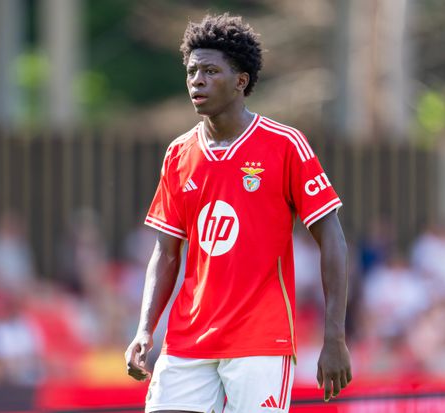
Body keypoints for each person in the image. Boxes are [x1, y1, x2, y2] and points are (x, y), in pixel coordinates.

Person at [125, 13, 351, 412]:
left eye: (210, 71)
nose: (197, 81)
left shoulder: (285, 145)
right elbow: (166, 252)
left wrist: (335, 336)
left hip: (260, 340)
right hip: (188, 339)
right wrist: (145, 329)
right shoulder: (178, 154)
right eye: (192, 71)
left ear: (241, 81)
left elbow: (331, 236)